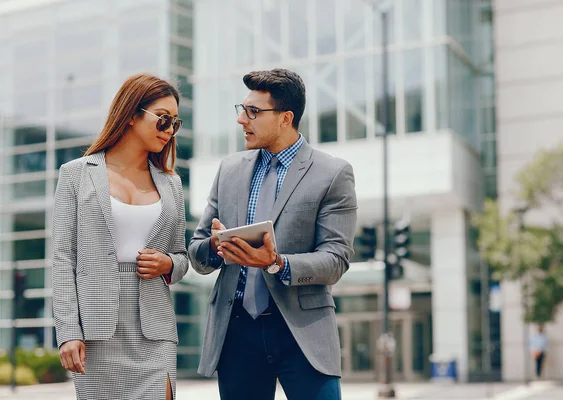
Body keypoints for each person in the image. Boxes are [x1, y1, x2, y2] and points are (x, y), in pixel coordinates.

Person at [188, 68, 357, 400]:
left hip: (301, 331)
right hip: (236, 330)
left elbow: (335, 259)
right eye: (242, 110)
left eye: (253, 112)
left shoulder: (332, 173)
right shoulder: (230, 170)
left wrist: (278, 263)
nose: (242, 120)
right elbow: (196, 251)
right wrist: (214, 245)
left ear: (286, 118)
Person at [52, 73, 189, 400]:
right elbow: (62, 259)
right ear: (130, 114)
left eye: (176, 123)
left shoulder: (172, 184)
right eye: (163, 119)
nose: (169, 130)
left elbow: (182, 258)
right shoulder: (75, 174)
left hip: (155, 330)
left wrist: (168, 263)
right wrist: (68, 332)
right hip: (97, 333)